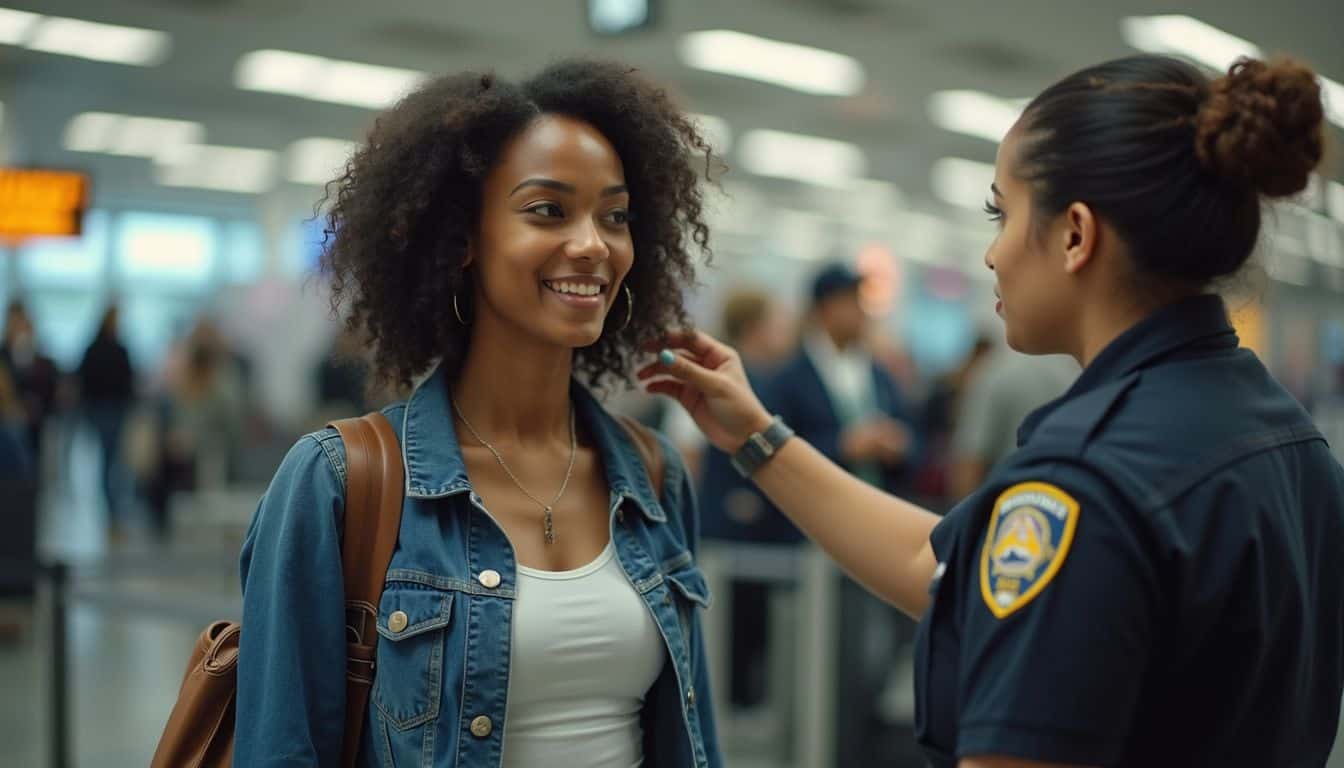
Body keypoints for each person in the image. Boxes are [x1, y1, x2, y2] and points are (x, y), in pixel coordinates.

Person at [643, 55, 1344, 767]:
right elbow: (940, 563)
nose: (990, 253)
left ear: (1075, 234)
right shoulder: (1289, 441)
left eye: (1001, 213)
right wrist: (758, 438)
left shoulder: (1085, 481)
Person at [236, 60, 722, 767]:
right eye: (548, 210)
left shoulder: (652, 478)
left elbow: (690, 736)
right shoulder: (342, 483)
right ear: (462, 238)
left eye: (614, 216)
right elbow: (280, 750)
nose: (592, 243)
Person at [948, 343, 1077, 500]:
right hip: (1063, 503)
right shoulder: (1073, 372)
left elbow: (970, 461)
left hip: (1006, 507)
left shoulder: (993, 372)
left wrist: (962, 520)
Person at [77, 305, 135, 537]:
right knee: (111, 464)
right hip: (108, 410)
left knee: (110, 463)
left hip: (105, 410)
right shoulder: (115, 350)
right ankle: (112, 514)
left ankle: (113, 514)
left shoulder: (96, 349)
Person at [1, 300, 60, 472]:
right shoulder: (4, 354)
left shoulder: (38, 355)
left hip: (37, 420)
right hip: (10, 420)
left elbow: (48, 384)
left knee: (34, 466)